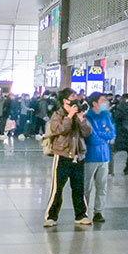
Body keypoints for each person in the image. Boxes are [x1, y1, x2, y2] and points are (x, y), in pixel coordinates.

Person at [44, 88, 94, 227]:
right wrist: (69, 116)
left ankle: (81, 215)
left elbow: (87, 132)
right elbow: (59, 130)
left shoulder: (79, 113)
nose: (76, 99)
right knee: (57, 188)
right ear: (65, 100)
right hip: (62, 154)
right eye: (73, 97)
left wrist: (81, 119)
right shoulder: (58, 114)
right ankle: (51, 216)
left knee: (78, 187)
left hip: (78, 155)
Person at [83, 93, 115, 223]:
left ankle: (98, 211)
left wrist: (101, 134)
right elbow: (92, 138)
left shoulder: (106, 116)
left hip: (104, 156)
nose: (105, 103)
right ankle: (83, 212)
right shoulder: (87, 117)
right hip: (90, 156)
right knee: (86, 186)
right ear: (94, 103)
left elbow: (112, 133)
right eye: (102, 100)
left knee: (102, 186)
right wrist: (104, 135)